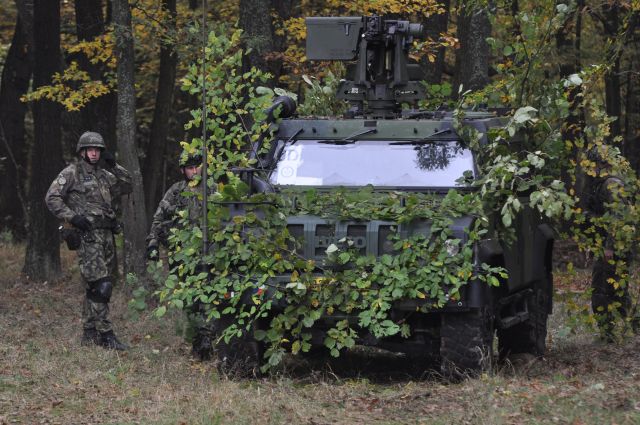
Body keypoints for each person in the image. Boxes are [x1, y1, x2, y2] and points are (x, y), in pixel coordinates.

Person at [45, 131, 132, 350]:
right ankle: (106, 334)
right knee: (101, 285)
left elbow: (128, 185)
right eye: (90, 150)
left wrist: (114, 165)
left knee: (95, 286)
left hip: (106, 235)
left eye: (97, 150)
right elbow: (52, 197)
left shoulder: (104, 175)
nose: (94, 153)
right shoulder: (72, 172)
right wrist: (72, 217)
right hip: (87, 236)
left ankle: (90, 331)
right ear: (82, 151)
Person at [145, 152, 215, 359]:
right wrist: (153, 243)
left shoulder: (211, 190)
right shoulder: (176, 191)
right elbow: (159, 217)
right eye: (189, 168)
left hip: (208, 254)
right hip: (182, 255)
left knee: (208, 298)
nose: (194, 172)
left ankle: (207, 340)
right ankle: (197, 340)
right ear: (183, 170)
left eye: (196, 167)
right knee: (189, 299)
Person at [585, 148, 633, 340]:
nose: (590, 169)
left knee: (604, 290)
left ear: (601, 163)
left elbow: (619, 217)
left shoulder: (611, 184)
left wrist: (609, 247)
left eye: (593, 164)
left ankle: (610, 332)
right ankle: (618, 328)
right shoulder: (602, 184)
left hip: (615, 247)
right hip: (608, 244)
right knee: (615, 290)